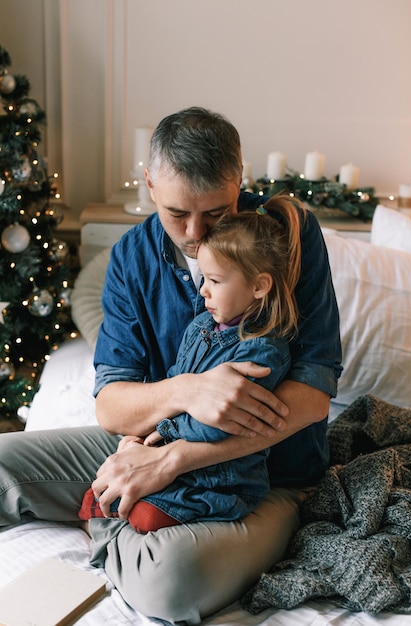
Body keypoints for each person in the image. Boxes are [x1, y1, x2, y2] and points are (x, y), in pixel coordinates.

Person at [0, 107, 342, 625]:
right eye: (177, 213)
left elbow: (314, 397)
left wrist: (176, 459)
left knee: (171, 584)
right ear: (150, 183)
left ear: (239, 180)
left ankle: (106, 523)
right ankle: (123, 514)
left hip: (267, 472)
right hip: (151, 440)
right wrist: (185, 393)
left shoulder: (288, 235)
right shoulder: (131, 257)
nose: (195, 232)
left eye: (216, 213)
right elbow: (112, 406)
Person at [79, 202, 312, 532]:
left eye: (215, 281)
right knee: (99, 492)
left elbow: (223, 423)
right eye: (204, 278)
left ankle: (123, 533)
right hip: (171, 450)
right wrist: (140, 436)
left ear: (259, 286)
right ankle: (111, 527)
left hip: (220, 476)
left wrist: (164, 434)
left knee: (143, 516)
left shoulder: (264, 352)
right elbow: (176, 379)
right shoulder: (201, 326)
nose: (202, 290)